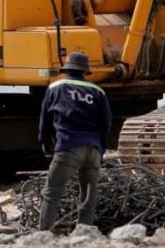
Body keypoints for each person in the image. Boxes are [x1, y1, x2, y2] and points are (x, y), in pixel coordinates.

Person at [38, 51, 113, 231]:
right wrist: (100, 149)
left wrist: (45, 142)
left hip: (68, 146)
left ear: (67, 69)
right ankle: (84, 232)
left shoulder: (55, 87)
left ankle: (43, 234)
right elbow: (106, 124)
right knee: (88, 195)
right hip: (93, 149)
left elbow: (45, 121)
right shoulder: (98, 91)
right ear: (85, 71)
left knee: (51, 193)